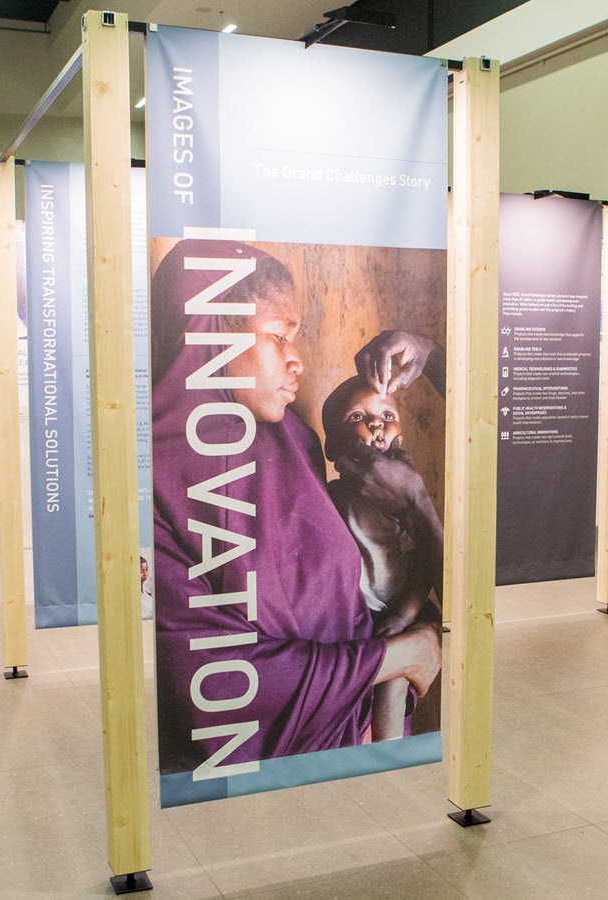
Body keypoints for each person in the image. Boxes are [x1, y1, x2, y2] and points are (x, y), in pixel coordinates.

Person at [150, 239, 442, 777]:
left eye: (298, 336)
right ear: (213, 331)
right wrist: (392, 657)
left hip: (363, 734)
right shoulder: (156, 477)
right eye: (279, 335)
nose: (296, 357)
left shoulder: (296, 443)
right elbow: (209, 677)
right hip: (265, 780)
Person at [321, 377, 443, 741]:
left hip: (402, 606)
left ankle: (388, 751)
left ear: (400, 436)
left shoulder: (404, 492)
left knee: (395, 678)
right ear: (332, 447)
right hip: (353, 613)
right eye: (359, 415)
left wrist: (404, 613)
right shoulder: (333, 496)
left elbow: (422, 563)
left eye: (387, 414)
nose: (377, 423)